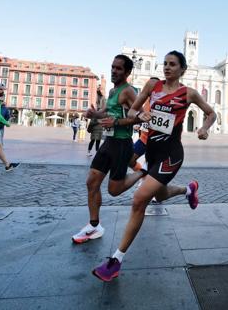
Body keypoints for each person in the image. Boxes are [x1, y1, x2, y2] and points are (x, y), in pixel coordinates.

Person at [92, 50, 216, 282]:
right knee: (160, 196)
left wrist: (204, 128)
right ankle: (188, 190)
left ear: (182, 70)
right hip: (152, 152)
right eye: (165, 64)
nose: (167, 68)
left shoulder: (188, 93)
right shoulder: (152, 86)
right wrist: (141, 115)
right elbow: (131, 110)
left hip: (171, 155)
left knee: (139, 199)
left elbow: (211, 113)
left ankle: (116, 260)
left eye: (172, 64)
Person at [72, 55, 146, 244]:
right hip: (109, 142)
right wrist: (94, 114)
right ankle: (94, 226)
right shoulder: (113, 91)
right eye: (113, 67)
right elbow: (105, 111)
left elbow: (143, 116)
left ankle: (142, 172)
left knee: (114, 190)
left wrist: (117, 121)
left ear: (127, 72)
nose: (114, 71)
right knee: (92, 183)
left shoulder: (128, 92)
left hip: (122, 144)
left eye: (119, 68)